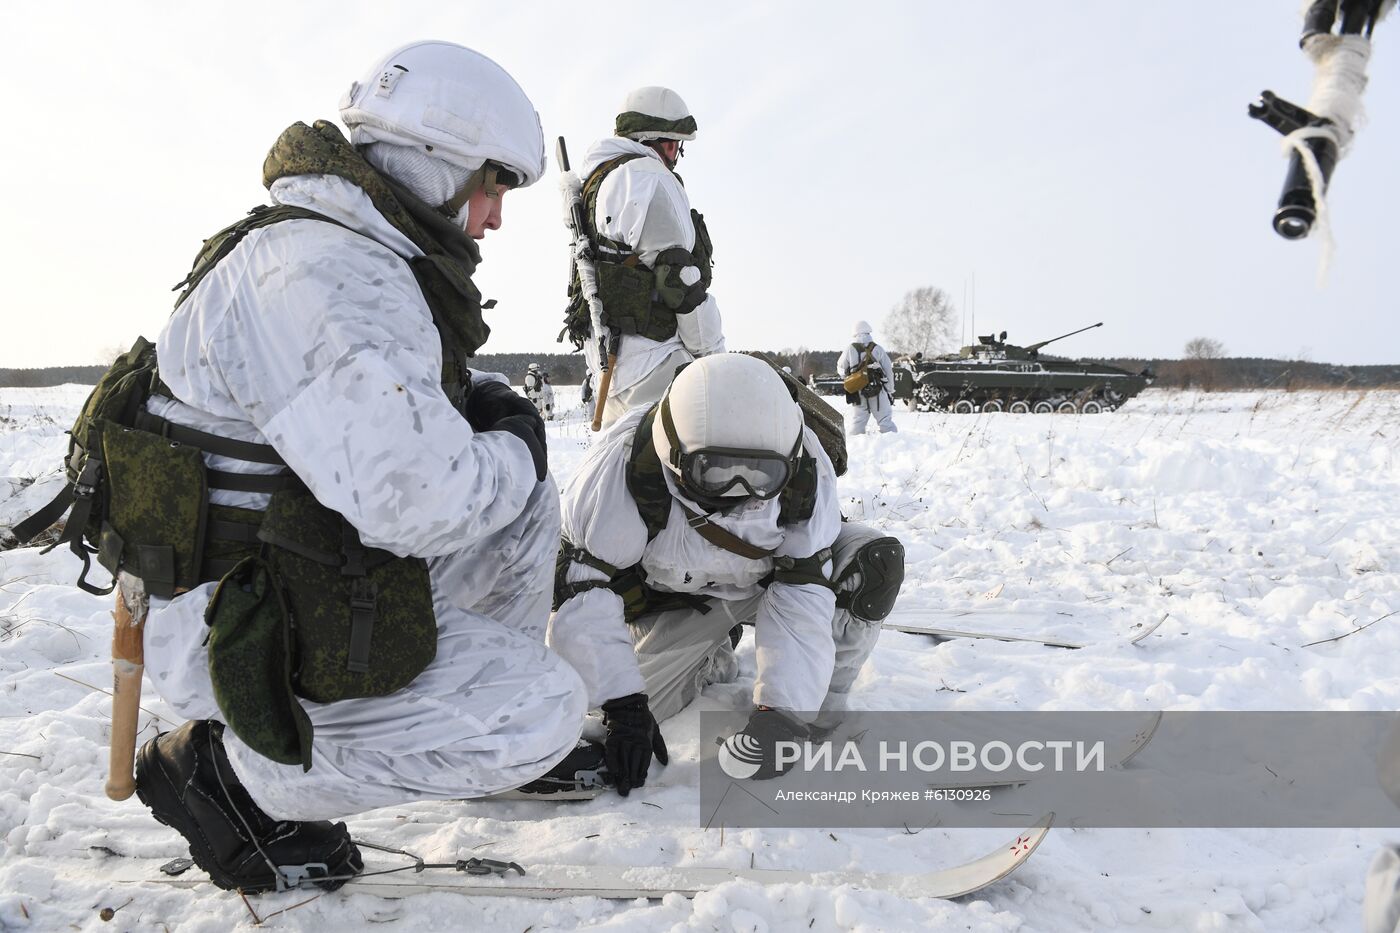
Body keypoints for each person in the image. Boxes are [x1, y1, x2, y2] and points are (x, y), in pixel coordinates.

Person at [127, 41, 602, 895]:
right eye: (492, 184)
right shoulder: (323, 273)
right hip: (229, 623)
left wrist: (494, 421)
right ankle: (229, 776)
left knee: (527, 503)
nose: (494, 216)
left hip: (282, 575)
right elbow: (417, 499)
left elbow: (380, 396)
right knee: (545, 714)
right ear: (436, 160)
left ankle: (408, 720)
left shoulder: (347, 250)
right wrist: (514, 442)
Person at [547, 353, 904, 795]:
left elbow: (802, 594)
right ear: (673, 451)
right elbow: (585, 596)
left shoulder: (805, 469)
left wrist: (784, 715)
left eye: (760, 474)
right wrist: (623, 706)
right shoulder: (617, 472)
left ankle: (820, 714)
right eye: (715, 472)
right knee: (618, 718)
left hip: (762, 585)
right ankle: (709, 655)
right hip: (673, 599)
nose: (740, 491)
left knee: (870, 558)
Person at [562, 86, 725, 429]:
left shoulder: (596, 181)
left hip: (609, 368)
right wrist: (712, 357)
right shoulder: (649, 179)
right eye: (678, 147)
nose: (677, 154)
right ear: (668, 142)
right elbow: (679, 283)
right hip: (658, 364)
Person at [836, 321, 898, 435]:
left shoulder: (850, 349)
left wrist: (851, 378)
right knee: (885, 420)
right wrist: (890, 389)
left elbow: (840, 368)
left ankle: (856, 447)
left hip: (858, 391)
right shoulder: (877, 348)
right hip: (878, 389)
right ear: (869, 332)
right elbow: (888, 370)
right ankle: (893, 443)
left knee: (858, 422)